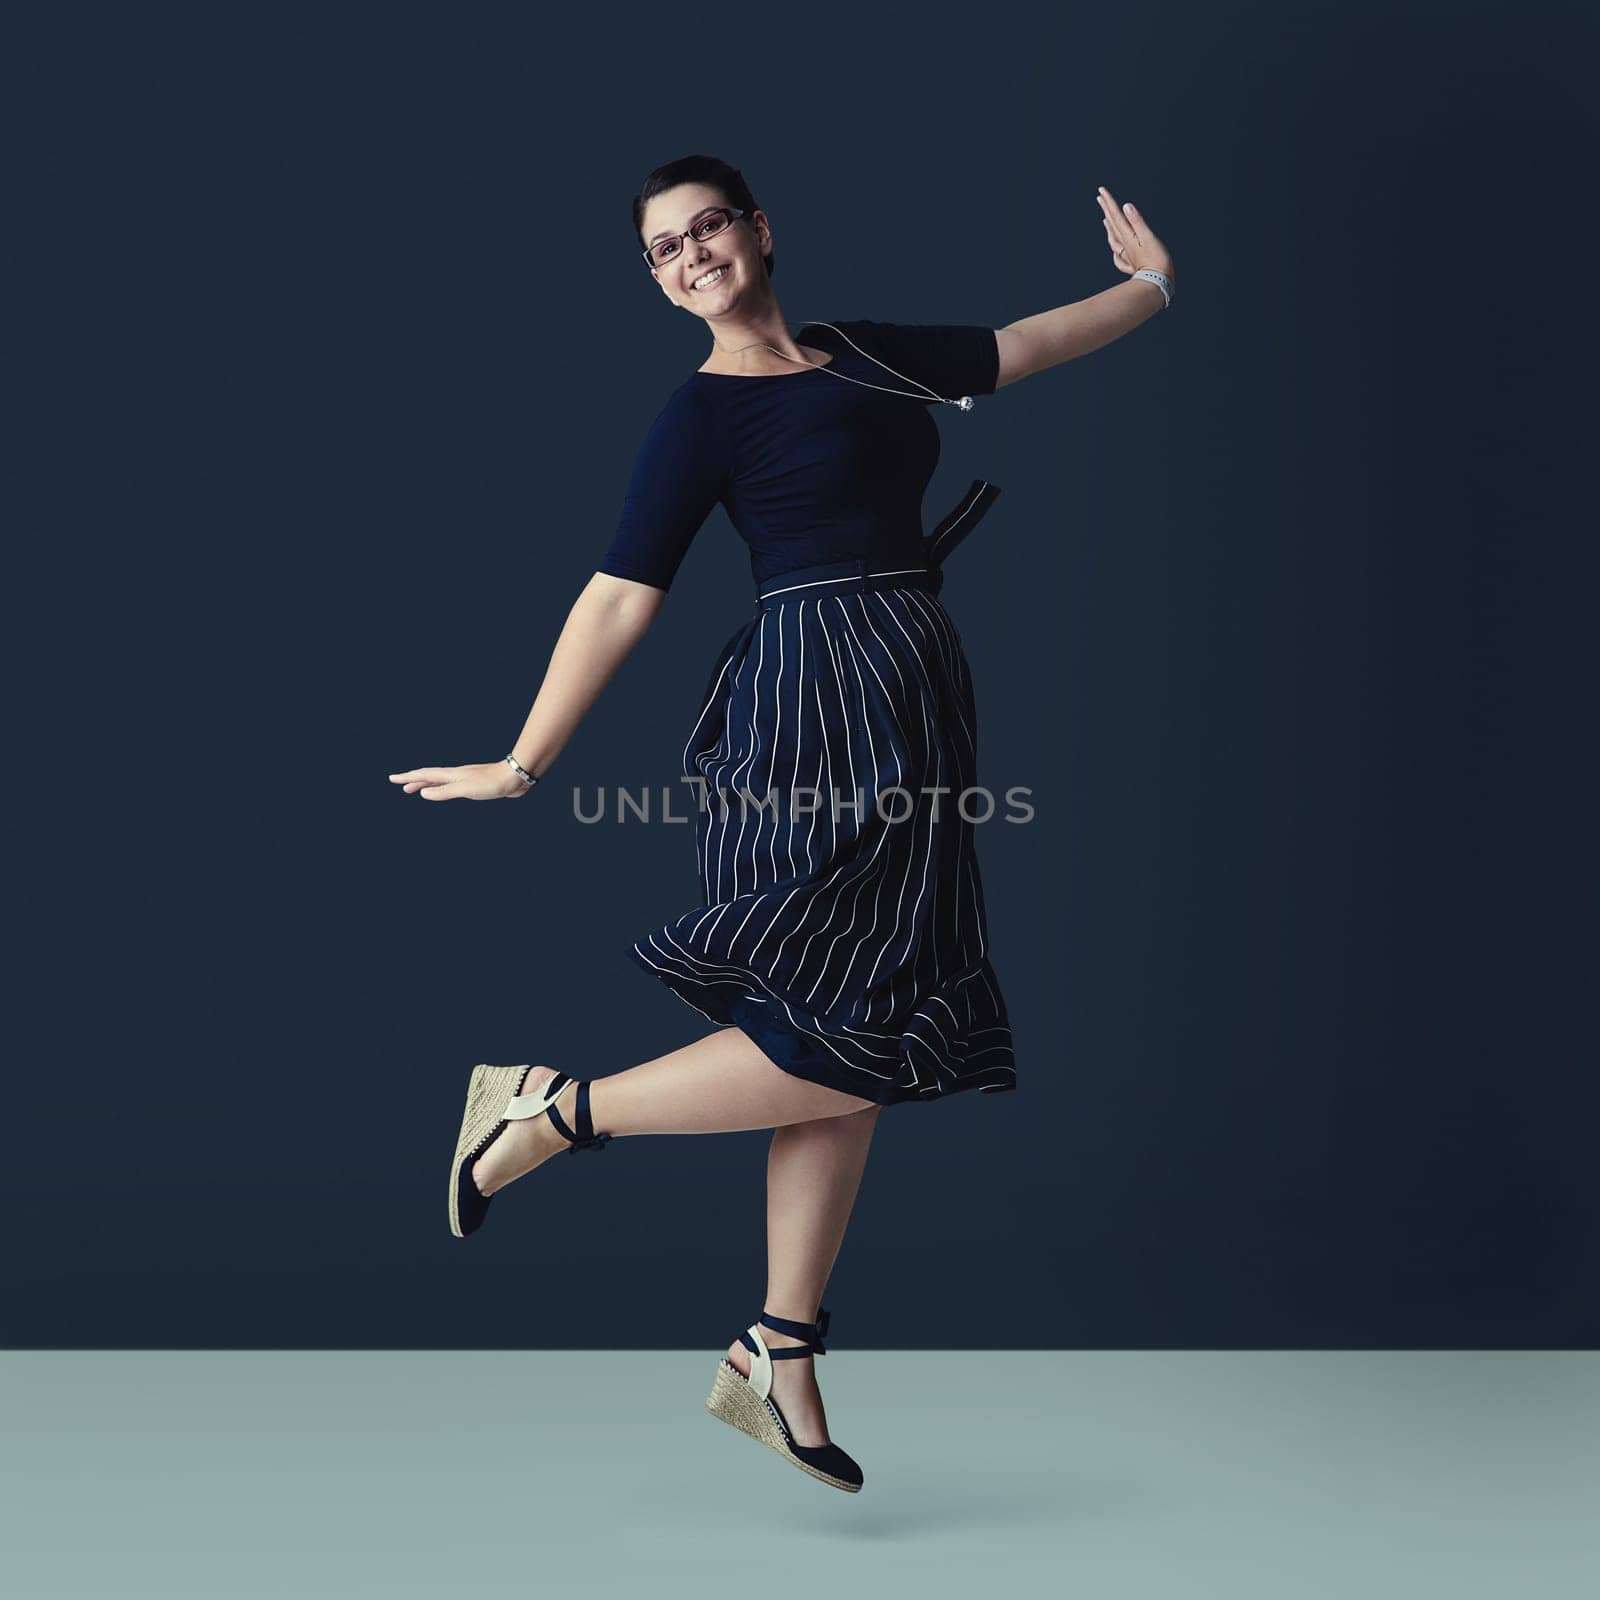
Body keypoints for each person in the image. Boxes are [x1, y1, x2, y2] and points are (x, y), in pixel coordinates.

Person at [388, 155, 1175, 1493]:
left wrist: (1150, 287)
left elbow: (1028, 344)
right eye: (663, 249)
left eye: (709, 228)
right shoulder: (698, 416)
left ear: (760, 231)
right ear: (656, 278)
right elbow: (619, 595)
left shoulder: (862, 352)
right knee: (844, 1015)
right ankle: (551, 1110)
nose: (692, 255)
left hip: (917, 689)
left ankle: (779, 1347)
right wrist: (525, 762)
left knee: (854, 1017)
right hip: (811, 702)